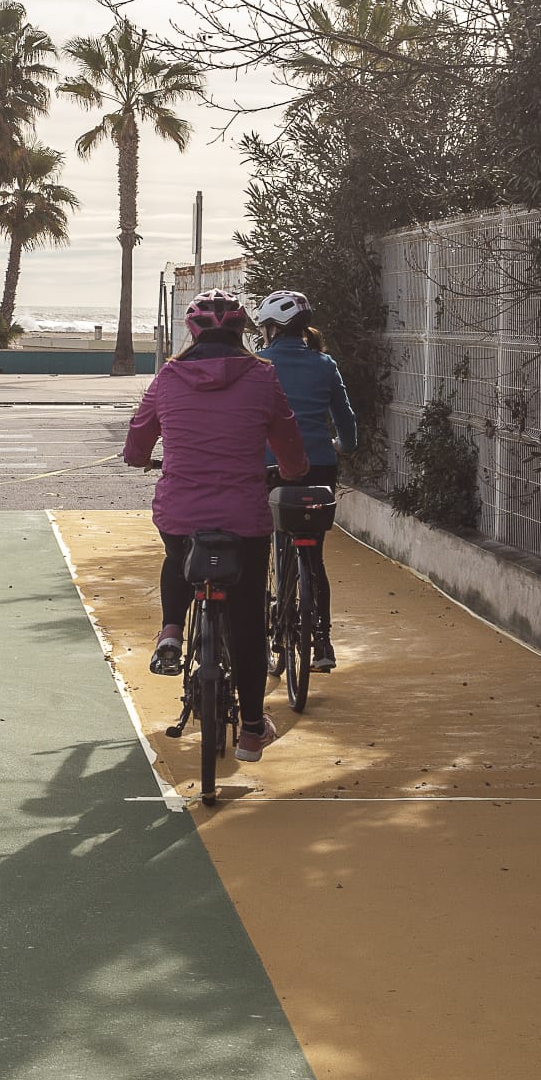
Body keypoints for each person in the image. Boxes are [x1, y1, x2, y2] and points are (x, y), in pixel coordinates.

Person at [122, 290, 309, 761]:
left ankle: (171, 631)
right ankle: (251, 731)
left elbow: (138, 438)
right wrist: (292, 471)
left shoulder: (168, 378)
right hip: (244, 518)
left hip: (180, 511)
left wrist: (141, 459)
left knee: (177, 554)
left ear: (192, 332)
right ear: (243, 331)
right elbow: (287, 438)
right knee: (247, 620)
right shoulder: (262, 377)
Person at [254, 289, 358, 671]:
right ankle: (323, 643)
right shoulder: (325, 364)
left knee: (262, 544)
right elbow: (346, 420)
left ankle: (267, 625)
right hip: (320, 468)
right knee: (313, 554)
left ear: (271, 329)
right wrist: (342, 445)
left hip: (270, 467)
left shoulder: (259, 365)